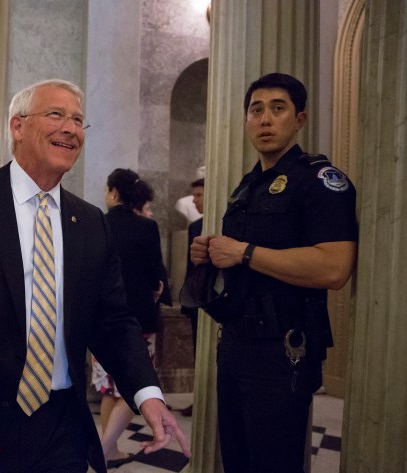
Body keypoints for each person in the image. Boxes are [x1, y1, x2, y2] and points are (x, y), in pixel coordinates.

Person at [0, 79, 190, 473]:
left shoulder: (91, 223)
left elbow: (113, 321)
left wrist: (148, 395)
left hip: (61, 427)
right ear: (17, 127)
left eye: (79, 120)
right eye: (56, 114)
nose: (70, 128)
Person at [189, 73, 358, 473]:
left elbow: (335, 267)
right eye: (256, 110)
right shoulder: (248, 186)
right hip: (235, 345)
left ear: (299, 119)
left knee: (273, 462)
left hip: (283, 349)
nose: (265, 119)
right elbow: (245, 263)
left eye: (277, 109)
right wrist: (211, 253)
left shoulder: (318, 181)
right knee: (237, 461)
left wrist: (244, 252)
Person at [91, 169, 171, 469]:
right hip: (139, 317)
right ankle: (105, 449)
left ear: (113, 192)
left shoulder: (97, 222)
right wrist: (155, 289)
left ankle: (106, 449)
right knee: (136, 383)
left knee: (109, 388)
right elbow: (155, 273)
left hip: (100, 319)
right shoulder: (146, 227)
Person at [177, 177, 204, 418]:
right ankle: (201, 399)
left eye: (199, 195)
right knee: (198, 351)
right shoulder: (195, 227)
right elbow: (190, 267)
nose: (194, 200)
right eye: (194, 195)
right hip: (196, 301)